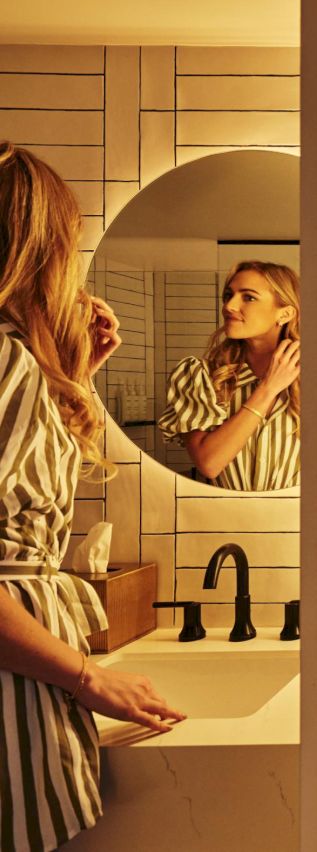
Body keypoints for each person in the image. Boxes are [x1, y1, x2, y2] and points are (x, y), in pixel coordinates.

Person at [0, 141, 185, 850]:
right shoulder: (8, 362)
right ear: (40, 248)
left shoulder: (17, 361)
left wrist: (75, 371)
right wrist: (88, 679)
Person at [158, 261, 301, 491]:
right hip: (223, 520)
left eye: (249, 297)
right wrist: (268, 389)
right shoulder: (199, 376)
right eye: (228, 295)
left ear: (285, 313)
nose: (229, 306)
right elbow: (209, 463)